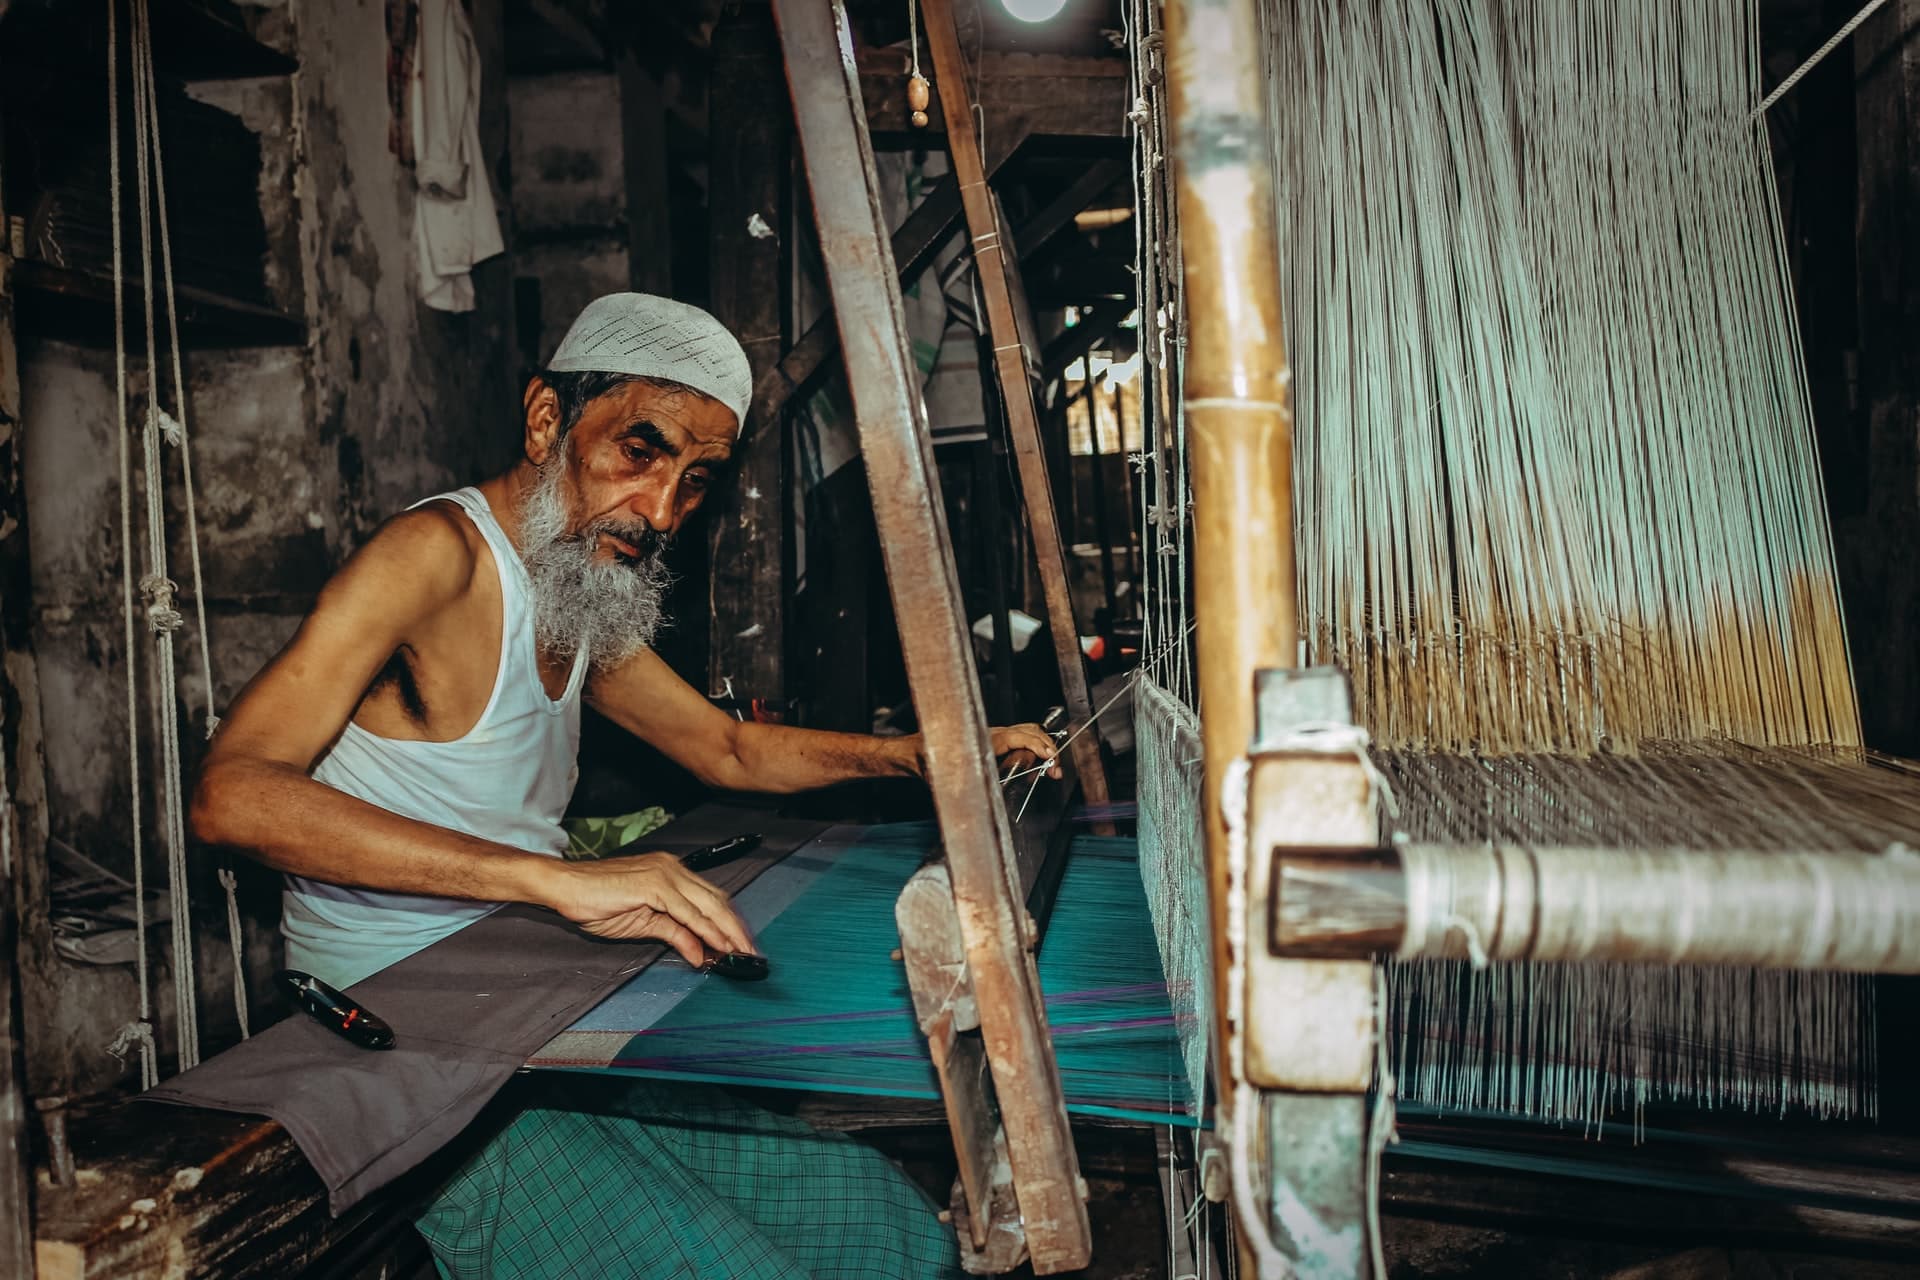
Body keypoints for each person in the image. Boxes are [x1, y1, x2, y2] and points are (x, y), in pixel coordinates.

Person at [191, 292, 1059, 1279]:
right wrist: (559, 880)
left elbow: (727, 751)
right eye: (638, 452)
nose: (660, 510)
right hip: (407, 1046)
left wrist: (930, 752)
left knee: (888, 1232)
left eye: (695, 481)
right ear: (548, 420)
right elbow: (231, 792)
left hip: (536, 1005)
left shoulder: (576, 587)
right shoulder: (434, 557)